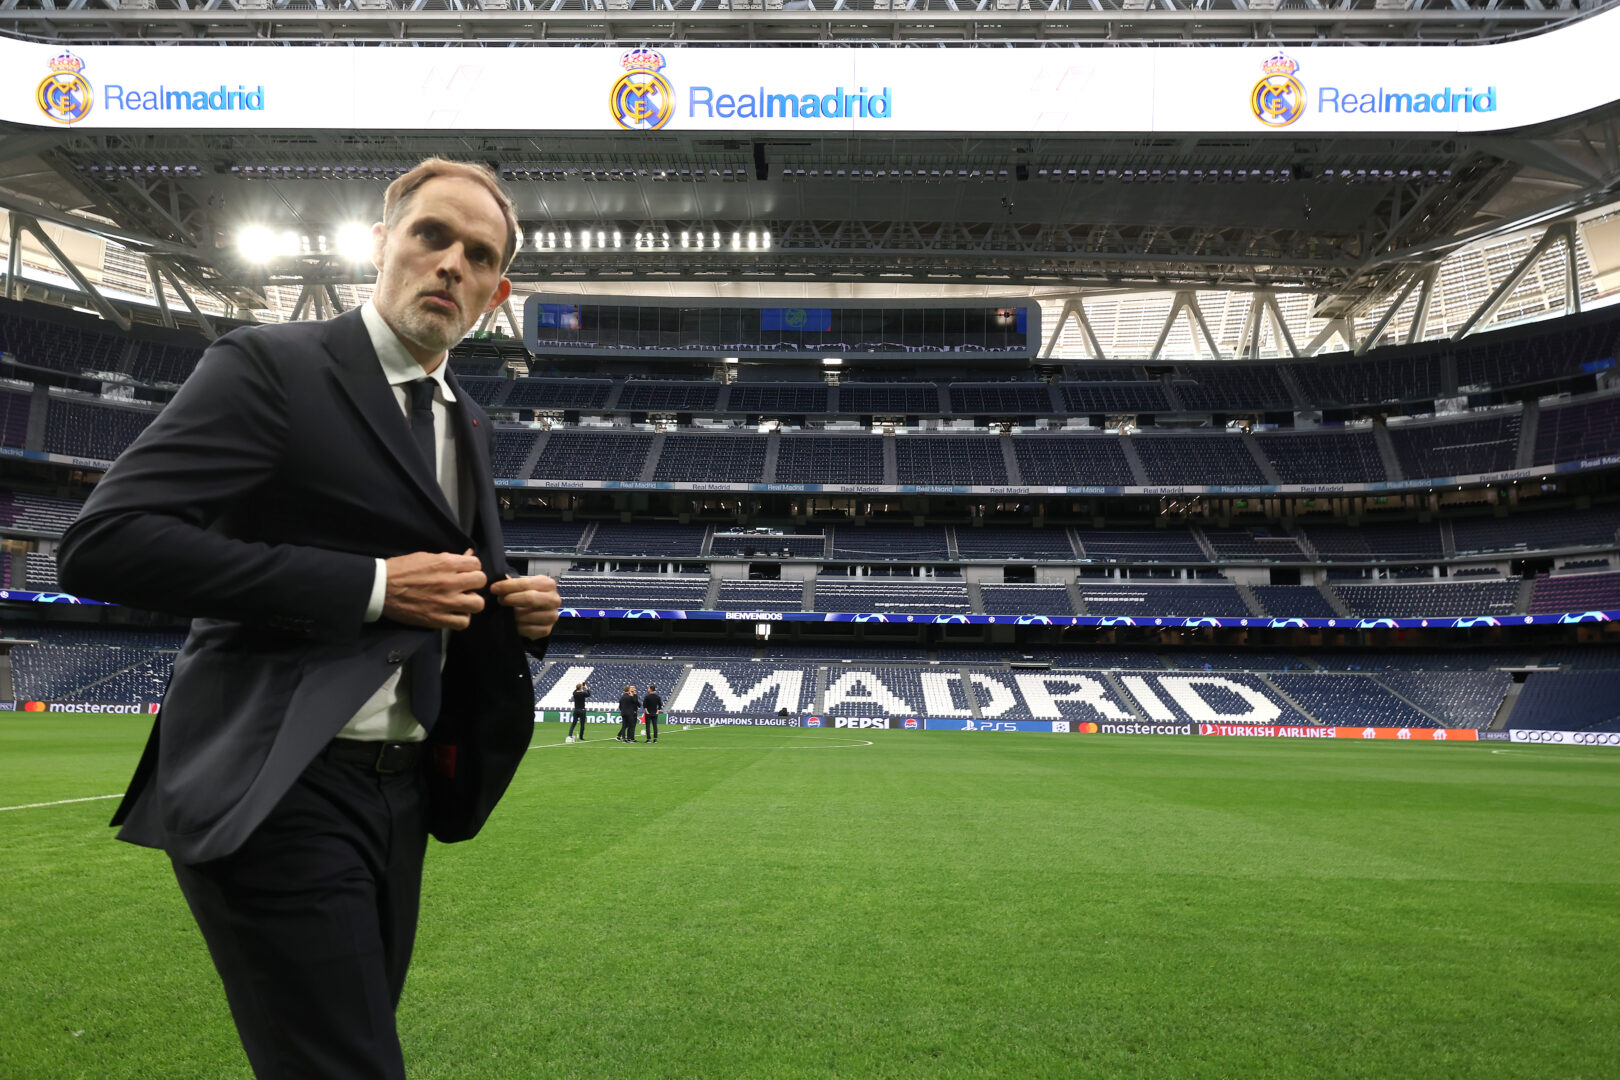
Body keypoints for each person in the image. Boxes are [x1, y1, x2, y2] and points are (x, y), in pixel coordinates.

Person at [57, 157, 562, 1080]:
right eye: (432, 236)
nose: (452, 263)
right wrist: (368, 587)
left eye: (480, 255)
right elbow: (104, 543)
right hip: (278, 779)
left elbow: (436, 590)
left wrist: (509, 610)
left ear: (497, 295)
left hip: (400, 795)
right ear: (381, 245)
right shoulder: (271, 366)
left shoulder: (467, 420)